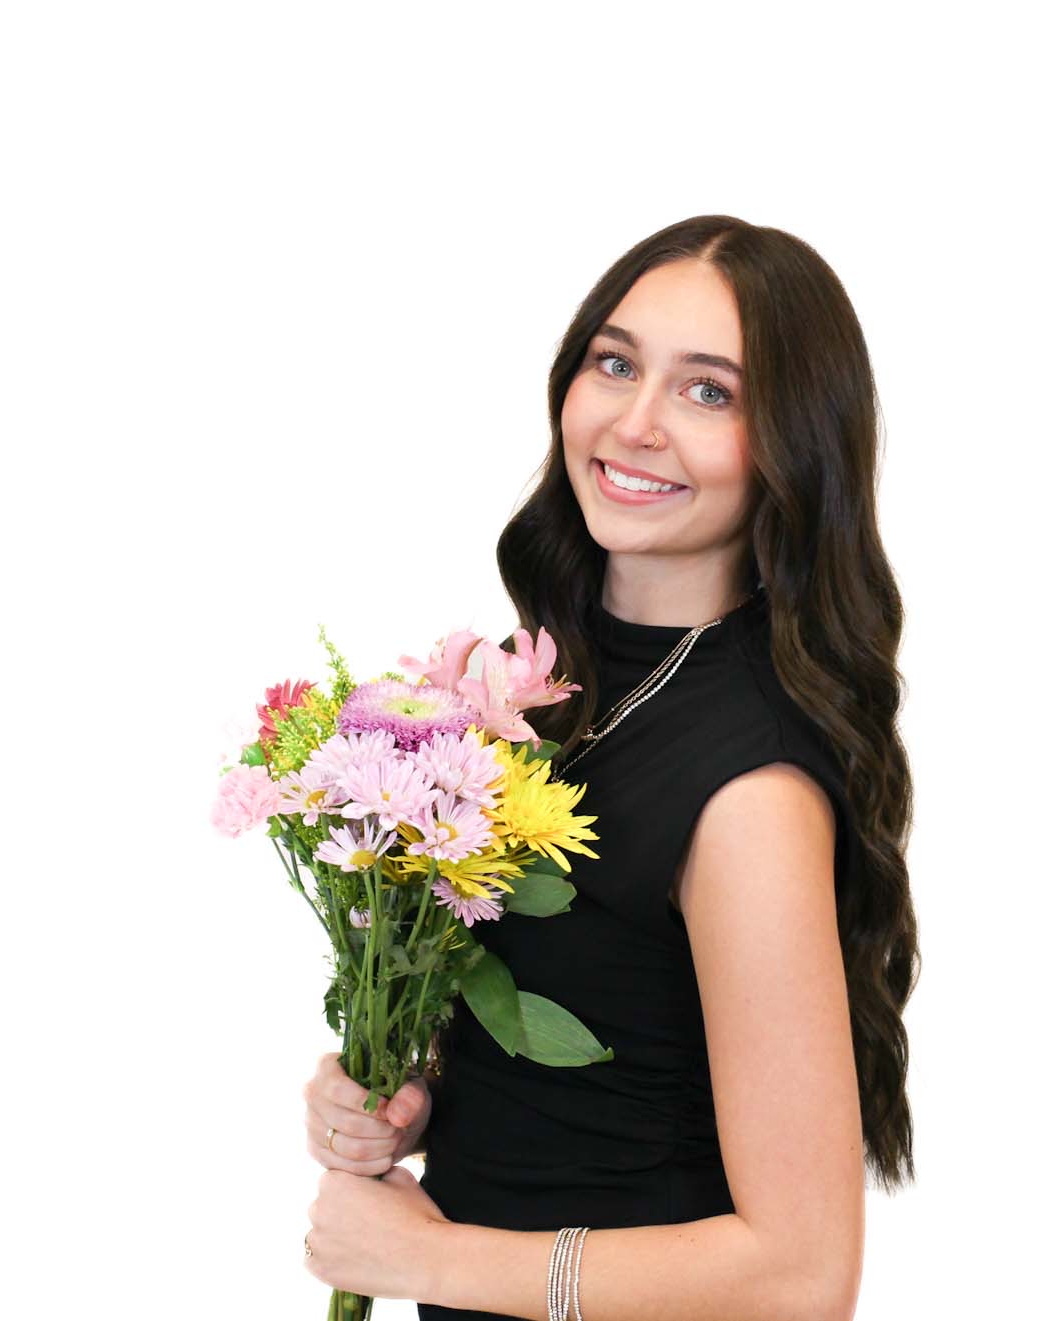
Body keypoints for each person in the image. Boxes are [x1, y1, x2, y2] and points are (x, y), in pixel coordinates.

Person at [302, 214, 920, 1320]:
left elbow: (801, 1275)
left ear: (791, 445)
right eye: (617, 364)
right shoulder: (536, 690)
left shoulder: (751, 792)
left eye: (708, 392)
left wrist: (431, 1260)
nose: (636, 424)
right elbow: (615, 1064)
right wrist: (413, 1096)